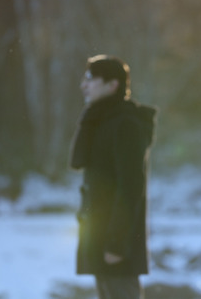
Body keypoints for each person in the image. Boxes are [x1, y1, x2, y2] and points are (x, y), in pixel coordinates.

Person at [70, 55, 157, 299]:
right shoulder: (100, 121)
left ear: (112, 85)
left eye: (90, 79)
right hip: (101, 236)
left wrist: (117, 244)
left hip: (116, 244)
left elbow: (130, 187)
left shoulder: (125, 124)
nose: (83, 85)